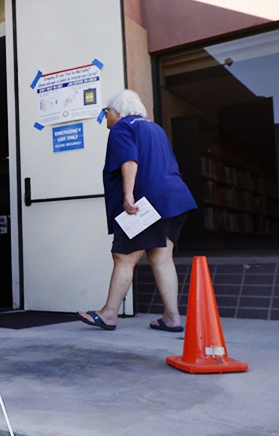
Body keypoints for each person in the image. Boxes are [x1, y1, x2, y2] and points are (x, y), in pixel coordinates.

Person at [77, 89, 197, 332]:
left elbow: (129, 160)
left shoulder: (122, 127)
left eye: (106, 112)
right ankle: (172, 318)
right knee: (162, 257)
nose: (106, 118)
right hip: (176, 199)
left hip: (148, 203)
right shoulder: (155, 129)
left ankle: (109, 314)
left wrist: (128, 195)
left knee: (123, 256)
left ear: (117, 112)